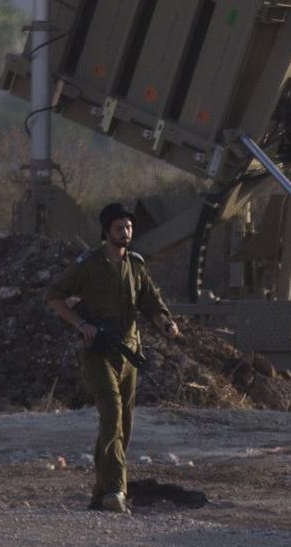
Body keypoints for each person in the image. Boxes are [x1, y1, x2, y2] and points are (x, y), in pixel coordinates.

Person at [47, 202, 183, 514]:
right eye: (120, 228)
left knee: (123, 425)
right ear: (106, 231)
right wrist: (81, 324)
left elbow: (151, 303)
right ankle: (116, 491)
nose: (126, 233)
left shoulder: (136, 264)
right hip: (98, 355)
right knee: (111, 415)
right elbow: (53, 296)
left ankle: (99, 493)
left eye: (129, 227)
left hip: (129, 353)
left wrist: (166, 324)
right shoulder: (89, 264)